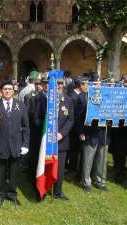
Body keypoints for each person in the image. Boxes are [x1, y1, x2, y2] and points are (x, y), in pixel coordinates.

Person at [0, 80, 30, 206]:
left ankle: (12, 194)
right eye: (5, 89)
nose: (8, 91)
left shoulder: (21, 106)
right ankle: (0, 194)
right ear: (1, 91)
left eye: (10, 89)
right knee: (0, 172)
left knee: (14, 172)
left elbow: (25, 127)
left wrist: (25, 144)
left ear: (14, 90)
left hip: (16, 144)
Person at [33, 73, 74, 201]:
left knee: (60, 167)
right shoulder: (42, 99)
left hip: (61, 140)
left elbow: (71, 119)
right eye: (56, 83)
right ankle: (42, 190)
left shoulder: (68, 100)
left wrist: (61, 133)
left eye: (61, 83)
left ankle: (58, 191)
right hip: (46, 140)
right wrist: (47, 131)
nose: (59, 86)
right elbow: (36, 119)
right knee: (44, 165)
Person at [76, 73, 111, 194]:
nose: (98, 85)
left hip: (103, 133)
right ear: (91, 84)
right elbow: (78, 117)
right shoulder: (83, 97)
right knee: (88, 160)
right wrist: (80, 132)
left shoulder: (107, 97)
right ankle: (86, 183)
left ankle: (101, 182)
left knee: (102, 160)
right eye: (96, 83)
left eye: (99, 83)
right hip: (90, 133)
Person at [66, 76, 88, 180]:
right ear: (81, 85)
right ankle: (70, 166)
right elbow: (74, 114)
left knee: (75, 148)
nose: (87, 86)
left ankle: (73, 165)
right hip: (73, 127)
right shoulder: (73, 97)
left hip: (76, 127)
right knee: (72, 148)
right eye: (86, 84)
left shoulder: (79, 95)